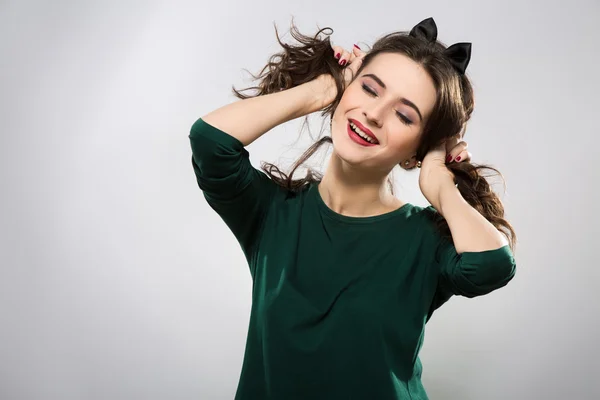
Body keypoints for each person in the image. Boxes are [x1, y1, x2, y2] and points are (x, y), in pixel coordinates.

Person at [189, 16, 517, 400]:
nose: (374, 114)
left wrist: (440, 184)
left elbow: (493, 265)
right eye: (370, 89)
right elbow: (210, 142)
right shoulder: (271, 214)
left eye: (404, 115)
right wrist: (325, 87)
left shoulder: (425, 240)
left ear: (417, 150)